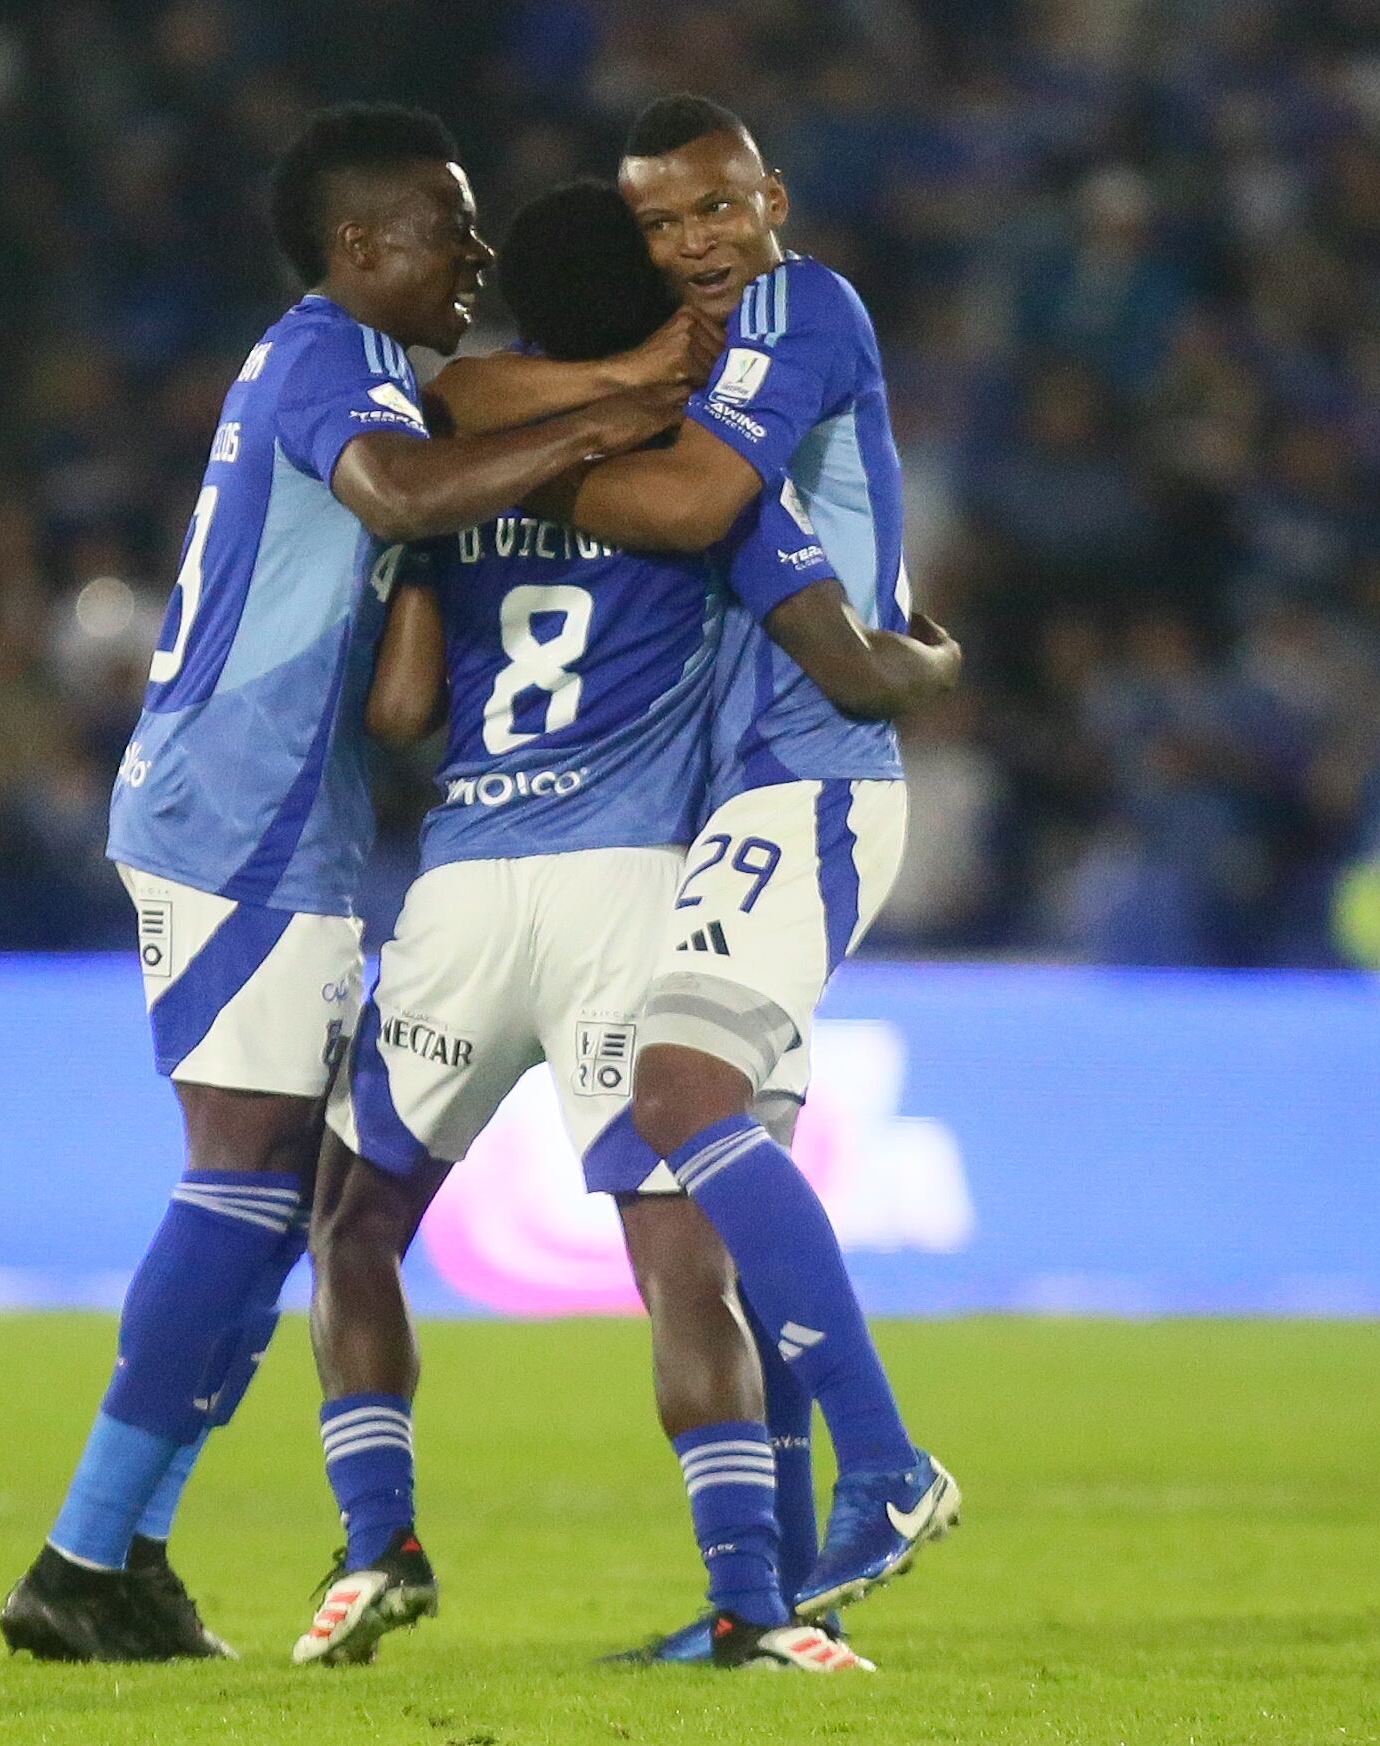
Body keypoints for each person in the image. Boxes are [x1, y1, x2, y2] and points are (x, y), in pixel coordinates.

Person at [0, 103, 692, 1664]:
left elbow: (395, 661)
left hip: (276, 818)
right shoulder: (329, 359)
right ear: (363, 246)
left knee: (278, 1202)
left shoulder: (361, 370)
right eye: (453, 226)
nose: (480, 252)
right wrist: (600, 427)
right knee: (248, 1181)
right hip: (240, 818)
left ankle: (120, 1556)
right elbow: (392, 490)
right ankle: (82, 1554)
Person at [292, 177, 957, 1672]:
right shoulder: (695, 464)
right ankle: (751, 1599)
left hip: (465, 885)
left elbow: (401, 710)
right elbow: (834, 653)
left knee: (352, 1224)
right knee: (682, 1267)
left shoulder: (460, 456)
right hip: (632, 889)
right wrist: (926, 666)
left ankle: (374, 1537)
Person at [536, 92, 964, 1633]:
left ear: (771, 199)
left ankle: (891, 1465)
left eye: (716, 208)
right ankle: (776, 1602)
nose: (695, 244)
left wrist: (505, 463)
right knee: (717, 1189)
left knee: (680, 1098)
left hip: (817, 780)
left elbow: (704, 503)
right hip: (741, 795)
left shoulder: (805, 308)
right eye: (662, 224)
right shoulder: (696, 363)